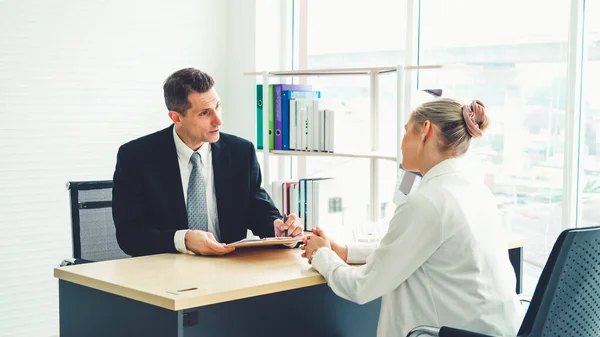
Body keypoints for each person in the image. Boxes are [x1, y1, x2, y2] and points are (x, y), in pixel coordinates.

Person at [301, 98, 523, 337]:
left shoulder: (427, 202)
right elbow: (414, 248)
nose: (401, 142)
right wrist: (345, 251)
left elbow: (361, 287)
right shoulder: (477, 191)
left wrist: (321, 255)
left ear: (426, 130)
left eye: (406, 131)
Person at [112, 67, 303, 257]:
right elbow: (129, 236)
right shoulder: (136, 157)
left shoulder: (240, 152)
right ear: (177, 117)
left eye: (218, 106)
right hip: (166, 272)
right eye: (204, 113)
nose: (218, 120)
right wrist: (184, 239)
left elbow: (258, 210)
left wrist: (279, 228)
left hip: (229, 269)